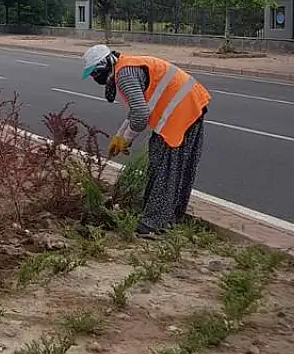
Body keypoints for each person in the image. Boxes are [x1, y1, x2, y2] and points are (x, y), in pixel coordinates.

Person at [83, 44, 211, 240]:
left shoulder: (124, 74)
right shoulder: (126, 67)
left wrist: (126, 140)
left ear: (103, 67)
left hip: (182, 112)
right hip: (188, 106)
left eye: (94, 74)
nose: (95, 79)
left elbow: (141, 114)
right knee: (167, 165)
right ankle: (166, 216)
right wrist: (119, 136)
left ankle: (153, 223)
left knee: (165, 168)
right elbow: (137, 110)